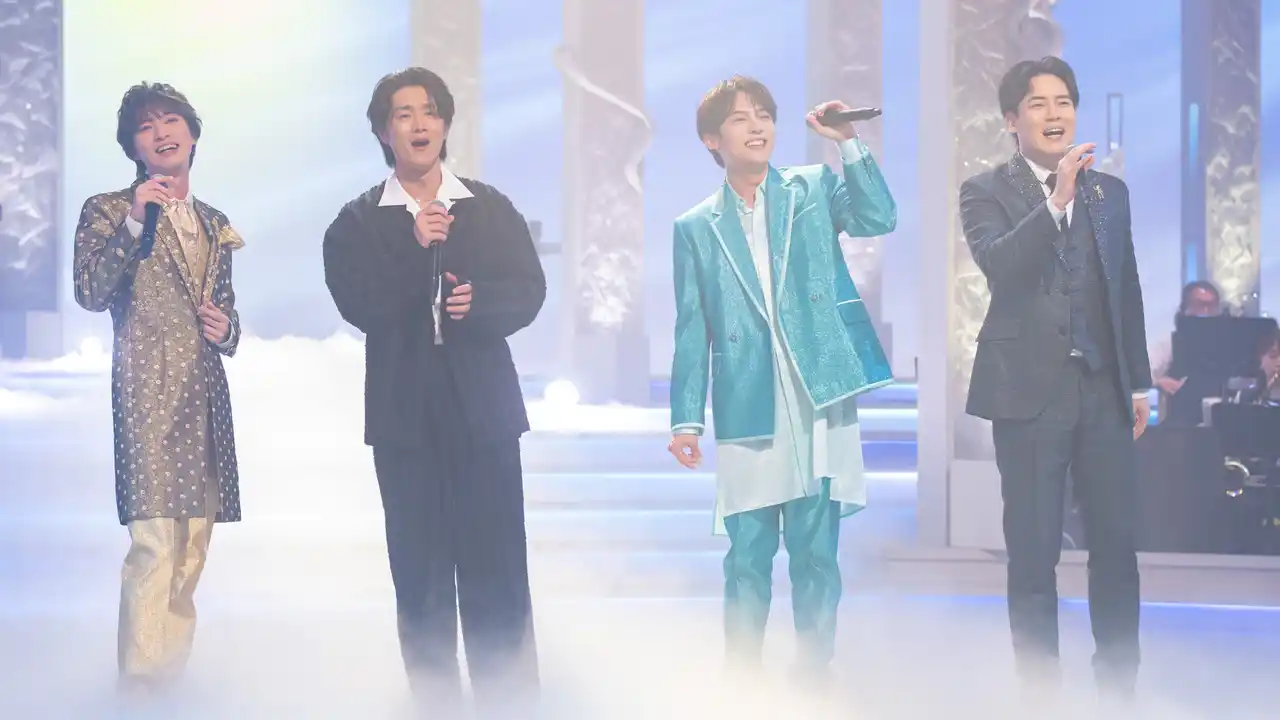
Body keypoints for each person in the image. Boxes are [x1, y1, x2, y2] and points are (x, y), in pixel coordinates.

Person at [322, 67, 544, 716]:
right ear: (382, 132)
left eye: (429, 112)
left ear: (445, 125)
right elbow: (360, 303)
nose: (418, 125)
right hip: (406, 424)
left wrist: (482, 304)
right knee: (420, 580)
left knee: (498, 572)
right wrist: (416, 251)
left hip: (485, 417)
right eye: (403, 114)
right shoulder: (358, 222)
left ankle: (511, 705)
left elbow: (528, 289)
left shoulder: (488, 206)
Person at [667, 75, 896, 686]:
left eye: (764, 114)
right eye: (741, 118)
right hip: (748, 400)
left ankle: (814, 676)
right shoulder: (695, 226)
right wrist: (686, 420)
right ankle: (742, 681)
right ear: (712, 139)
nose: (758, 126)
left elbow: (879, 217)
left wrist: (847, 142)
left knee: (816, 553)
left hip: (817, 391)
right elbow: (691, 327)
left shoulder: (812, 187)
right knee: (747, 555)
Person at [958, 57, 1151, 707]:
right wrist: (1056, 199)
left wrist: (1138, 382)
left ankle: (1119, 693)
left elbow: (1124, 288)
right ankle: (1039, 697)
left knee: (1117, 549)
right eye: (1038, 104)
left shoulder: (1110, 193)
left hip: (1102, 388)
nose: (1054, 114)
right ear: (1011, 120)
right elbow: (1000, 264)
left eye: (1063, 101)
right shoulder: (985, 190)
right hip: (1028, 394)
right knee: (1035, 553)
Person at [71, 82, 244, 696]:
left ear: (192, 134)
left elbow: (226, 312)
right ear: (133, 148)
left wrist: (227, 330)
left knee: (193, 547)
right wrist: (132, 223)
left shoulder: (214, 222)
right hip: (145, 395)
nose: (162, 133)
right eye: (146, 127)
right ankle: (140, 690)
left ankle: (169, 683)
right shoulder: (108, 209)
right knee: (153, 544)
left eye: (171, 121)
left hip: (203, 398)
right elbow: (90, 293)